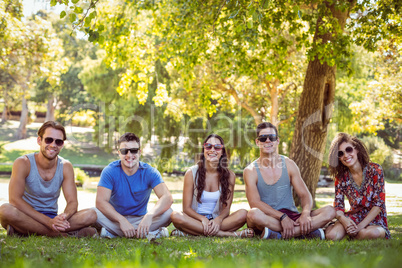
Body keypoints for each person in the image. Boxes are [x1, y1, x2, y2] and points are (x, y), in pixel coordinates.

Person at [0, 121, 97, 237]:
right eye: (48, 140)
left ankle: (23, 231)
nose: (53, 145)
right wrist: (48, 222)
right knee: (5, 210)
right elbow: (15, 200)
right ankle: (60, 234)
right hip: (27, 215)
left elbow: (72, 202)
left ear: (62, 145)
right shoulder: (23, 163)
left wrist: (63, 217)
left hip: (52, 216)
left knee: (91, 214)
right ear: (39, 140)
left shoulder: (66, 166)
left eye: (58, 141)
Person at [244, 122, 335, 240]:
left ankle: (278, 234)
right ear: (257, 142)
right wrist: (282, 217)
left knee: (330, 211)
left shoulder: (289, 164)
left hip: (292, 216)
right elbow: (254, 203)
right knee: (253, 214)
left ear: (277, 141)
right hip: (269, 217)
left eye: (271, 137)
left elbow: (304, 195)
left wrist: (305, 214)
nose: (267, 141)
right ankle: (305, 232)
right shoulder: (250, 170)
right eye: (263, 138)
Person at [170, 134, 254, 238]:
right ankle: (227, 234)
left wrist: (218, 220)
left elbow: (226, 209)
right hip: (195, 220)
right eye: (208, 146)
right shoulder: (191, 173)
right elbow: (186, 208)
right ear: (204, 150)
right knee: (176, 215)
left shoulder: (230, 176)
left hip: (216, 221)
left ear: (222, 151)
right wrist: (202, 219)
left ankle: (191, 233)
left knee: (243, 214)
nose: (212, 150)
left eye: (217, 147)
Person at [95, 132, 173, 239]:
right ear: (119, 153)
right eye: (124, 151)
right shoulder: (109, 171)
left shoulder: (149, 172)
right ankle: (149, 233)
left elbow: (167, 197)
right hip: (115, 219)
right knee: (93, 213)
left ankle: (112, 233)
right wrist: (121, 220)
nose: (129, 155)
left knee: (169, 213)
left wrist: (149, 216)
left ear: (139, 152)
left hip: (140, 219)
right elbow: (100, 202)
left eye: (133, 150)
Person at [325, 133, 390, 240]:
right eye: (340, 153)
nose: (346, 155)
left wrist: (359, 227)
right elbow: (338, 206)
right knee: (332, 236)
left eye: (349, 150)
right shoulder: (341, 177)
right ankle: (333, 228)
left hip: (375, 219)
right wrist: (345, 221)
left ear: (357, 149)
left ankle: (351, 234)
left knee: (371, 234)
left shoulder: (375, 170)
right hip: (353, 217)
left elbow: (379, 204)